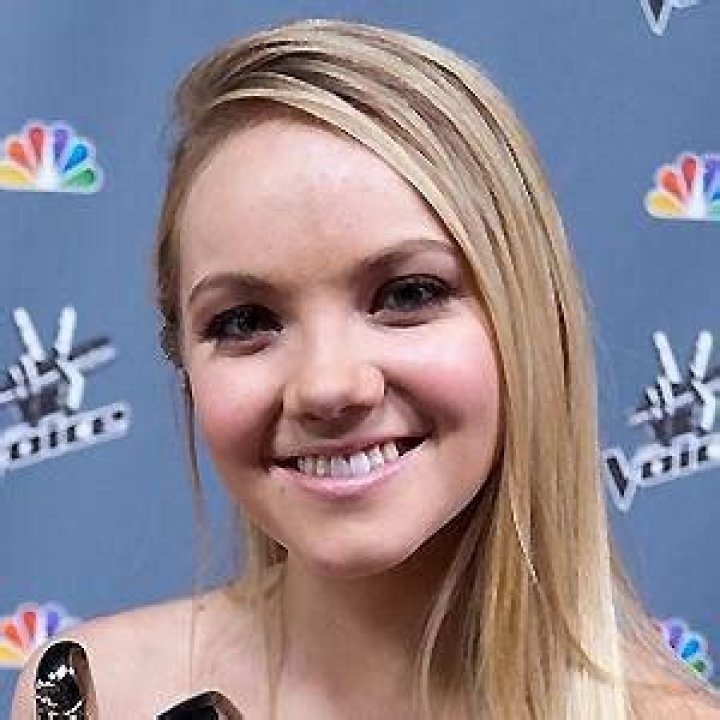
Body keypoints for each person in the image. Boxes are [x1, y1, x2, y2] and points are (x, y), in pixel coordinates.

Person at [12, 18, 720, 719]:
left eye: (408, 294)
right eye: (246, 321)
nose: (328, 385)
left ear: (529, 316)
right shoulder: (97, 691)